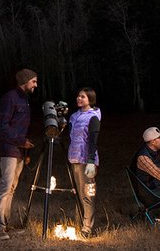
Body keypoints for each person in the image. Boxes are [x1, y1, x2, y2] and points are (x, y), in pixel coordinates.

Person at [0, 68, 38, 240]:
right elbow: (3, 126)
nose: (36, 85)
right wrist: (20, 141)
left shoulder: (24, 99)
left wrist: (25, 150)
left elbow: (20, 126)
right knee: (5, 187)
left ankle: (5, 223)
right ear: (25, 81)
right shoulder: (10, 98)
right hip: (9, 150)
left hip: (19, 151)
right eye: (33, 81)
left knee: (12, 188)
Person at [67, 87, 101, 237]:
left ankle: (87, 227)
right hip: (74, 158)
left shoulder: (93, 116)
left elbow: (93, 140)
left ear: (90, 100)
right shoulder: (74, 116)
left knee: (88, 194)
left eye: (83, 97)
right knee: (78, 193)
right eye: (78, 96)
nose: (79, 99)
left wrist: (91, 160)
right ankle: (78, 221)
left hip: (86, 160)